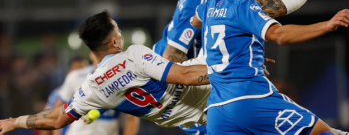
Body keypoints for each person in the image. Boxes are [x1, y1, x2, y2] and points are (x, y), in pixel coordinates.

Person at [155, 0, 349, 135]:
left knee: (266, 7)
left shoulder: (211, 3)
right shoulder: (201, 0)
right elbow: (172, 63)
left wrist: (236, 50)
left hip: (218, 106)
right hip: (207, 95)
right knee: (324, 132)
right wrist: (327, 25)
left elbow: (198, 20)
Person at [0, 11, 211, 135]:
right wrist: (231, 71)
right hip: (215, 88)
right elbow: (186, 76)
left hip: (199, 115)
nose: (121, 35)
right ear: (114, 42)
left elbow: (56, 118)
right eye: (118, 30)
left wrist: (14, 122)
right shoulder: (134, 56)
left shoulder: (93, 87)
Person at [52, 52, 140, 135]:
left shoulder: (125, 81)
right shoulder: (76, 76)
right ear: (91, 54)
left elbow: (132, 119)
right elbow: (58, 107)